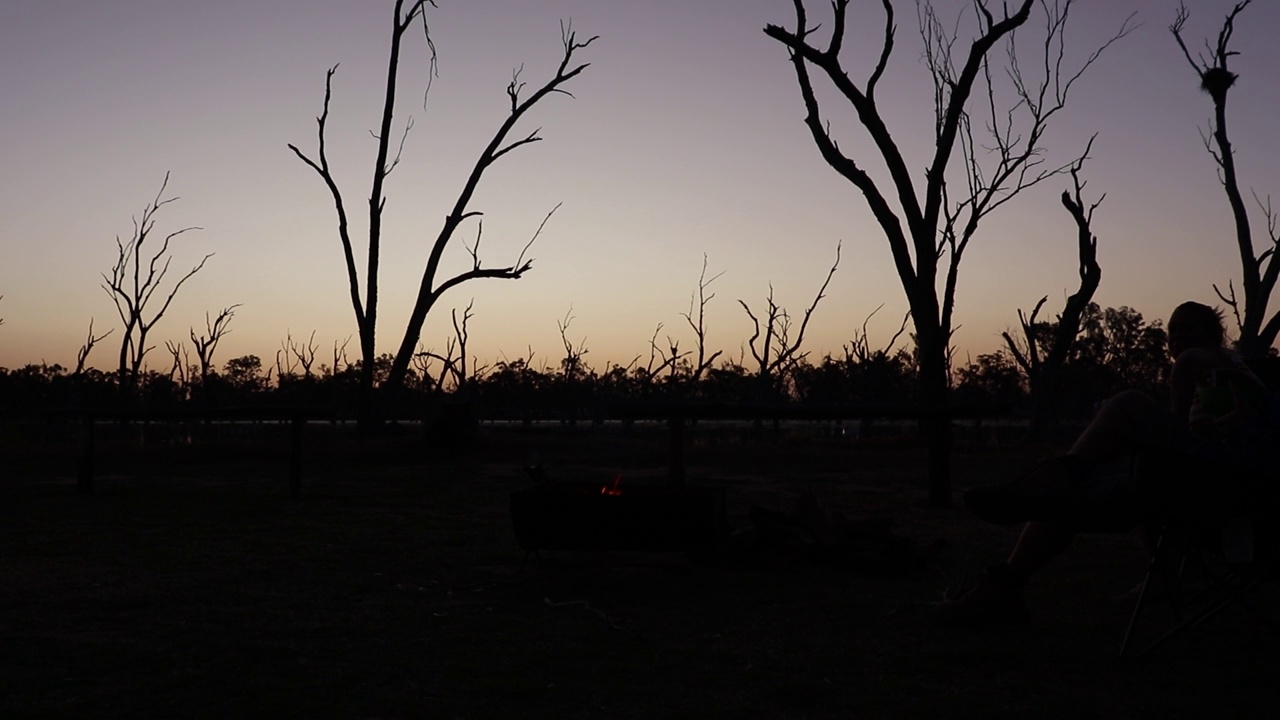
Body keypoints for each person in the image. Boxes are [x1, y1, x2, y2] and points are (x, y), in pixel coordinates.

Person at [936, 301, 1271, 627]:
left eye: (1188, 328)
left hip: (1225, 484)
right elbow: (1243, 417)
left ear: (1211, 334)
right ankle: (1012, 573)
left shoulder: (1195, 359)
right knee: (1083, 489)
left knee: (1128, 405)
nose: (1178, 336)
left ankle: (1059, 476)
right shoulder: (1232, 368)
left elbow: (1184, 429)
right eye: (1173, 329)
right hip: (1239, 483)